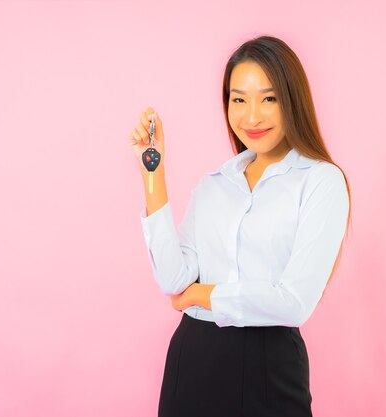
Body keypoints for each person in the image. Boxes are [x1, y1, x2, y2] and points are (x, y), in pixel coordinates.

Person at [129, 35, 351, 417]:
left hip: (269, 363)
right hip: (192, 359)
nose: (251, 117)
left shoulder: (320, 181)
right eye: (238, 99)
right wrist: (155, 174)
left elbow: (293, 303)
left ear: (292, 99)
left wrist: (201, 296)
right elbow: (173, 279)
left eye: (268, 98)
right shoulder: (214, 184)